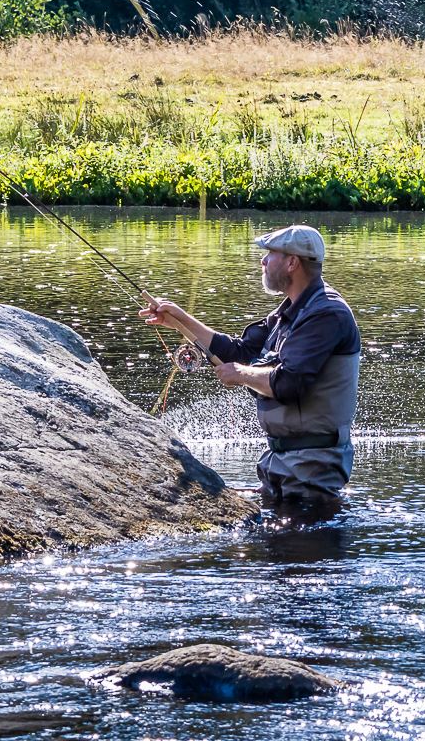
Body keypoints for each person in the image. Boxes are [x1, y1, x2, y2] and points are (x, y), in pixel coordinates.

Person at [140, 224, 361, 528]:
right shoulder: (290, 311)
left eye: (270, 254)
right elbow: (239, 351)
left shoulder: (326, 315)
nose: (263, 261)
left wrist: (241, 374)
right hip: (283, 464)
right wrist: (179, 320)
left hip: (312, 467)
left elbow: (289, 383)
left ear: (292, 262)